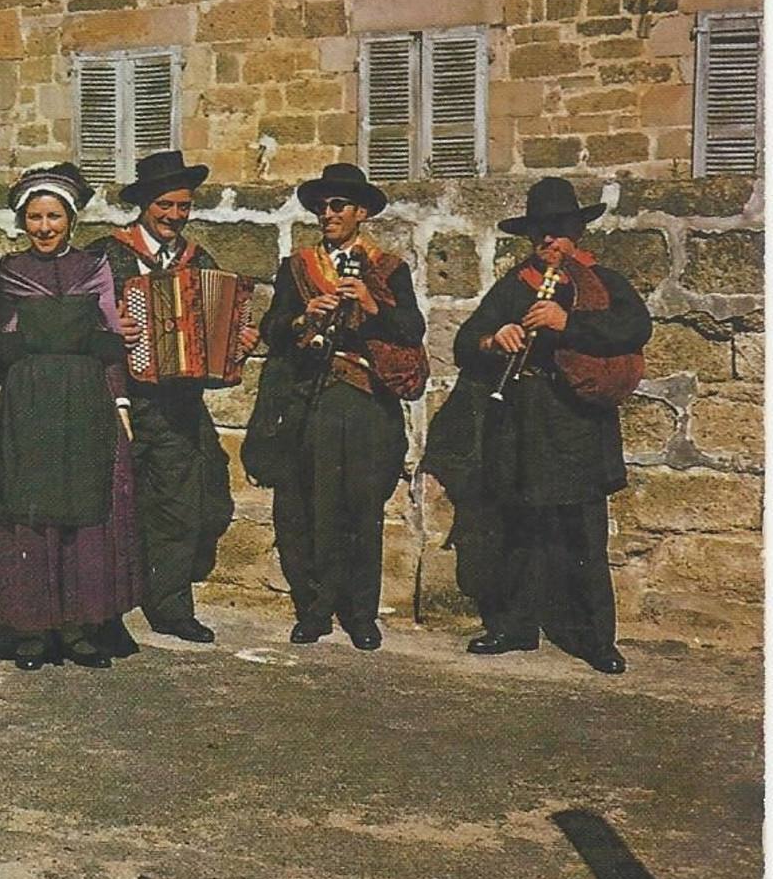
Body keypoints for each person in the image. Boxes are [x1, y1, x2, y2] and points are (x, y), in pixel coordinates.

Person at [454, 177, 651, 674]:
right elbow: (465, 342)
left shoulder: (604, 281)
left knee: (585, 536)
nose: (549, 241)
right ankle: (515, 627)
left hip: (578, 422)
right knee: (520, 529)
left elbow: (635, 328)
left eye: (559, 230)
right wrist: (493, 338)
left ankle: (596, 640)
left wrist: (569, 324)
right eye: (541, 232)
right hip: (522, 420)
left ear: (576, 233)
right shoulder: (514, 284)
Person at [0, 163, 142, 670]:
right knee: (31, 514)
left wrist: (121, 402)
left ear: (71, 219)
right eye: (34, 217)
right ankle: (33, 630)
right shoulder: (10, 271)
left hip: (86, 403)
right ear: (22, 221)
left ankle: (80, 628)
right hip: (30, 402)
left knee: (84, 513)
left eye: (53, 217)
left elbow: (113, 346)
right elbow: (0, 348)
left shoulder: (96, 267)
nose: (44, 227)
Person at [84, 150, 256, 644]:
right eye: (165, 205)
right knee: (111, 505)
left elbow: (230, 320)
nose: (174, 216)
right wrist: (111, 325)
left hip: (179, 405)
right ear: (143, 204)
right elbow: (76, 320)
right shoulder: (103, 254)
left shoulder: (197, 259)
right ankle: (106, 611)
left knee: (180, 508)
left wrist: (240, 341)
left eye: (182, 207)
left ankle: (171, 607)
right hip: (116, 400)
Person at [258, 163, 425, 652]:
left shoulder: (389, 268)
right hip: (316, 400)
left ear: (360, 213)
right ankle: (315, 610)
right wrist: (301, 318)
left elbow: (411, 329)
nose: (326, 214)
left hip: (369, 402)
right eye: (321, 206)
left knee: (363, 508)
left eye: (337, 207)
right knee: (315, 507)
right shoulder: (298, 267)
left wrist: (373, 306)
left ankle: (361, 614)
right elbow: (272, 331)